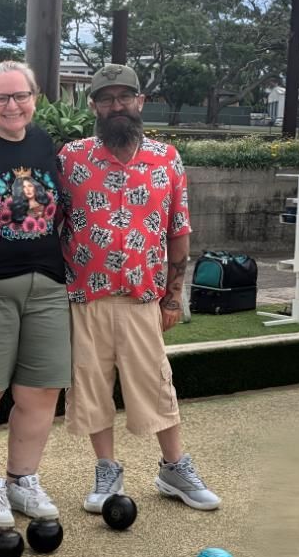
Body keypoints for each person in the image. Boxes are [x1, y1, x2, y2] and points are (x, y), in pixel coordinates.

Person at [57, 63, 221, 514]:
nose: (116, 106)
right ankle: (106, 469)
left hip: (143, 297)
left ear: (140, 103)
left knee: (156, 385)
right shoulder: (71, 157)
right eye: (106, 98)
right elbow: (51, 222)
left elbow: (178, 229)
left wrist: (174, 295)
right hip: (84, 296)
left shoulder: (166, 159)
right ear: (93, 106)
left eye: (124, 97)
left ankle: (174, 467)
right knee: (90, 387)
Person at [0, 61, 71, 528]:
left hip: (46, 284)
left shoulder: (44, 144)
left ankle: (23, 479)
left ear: (34, 98)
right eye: (0, 98)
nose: (11, 105)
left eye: (20, 95)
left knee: (41, 387)